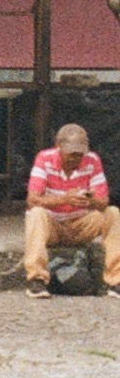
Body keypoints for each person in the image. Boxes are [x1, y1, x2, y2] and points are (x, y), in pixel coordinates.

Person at [23, 122, 115, 288]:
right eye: (72, 154)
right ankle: (36, 278)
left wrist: (90, 201)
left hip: (80, 224)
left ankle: (116, 280)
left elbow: (103, 202)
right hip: (53, 226)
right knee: (36, 213)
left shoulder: (92, 160)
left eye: (80, 154)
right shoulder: (44, 158)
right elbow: (32, 200)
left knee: (113, 213)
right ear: (59, 147)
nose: (76, 158)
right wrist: (64, 199)